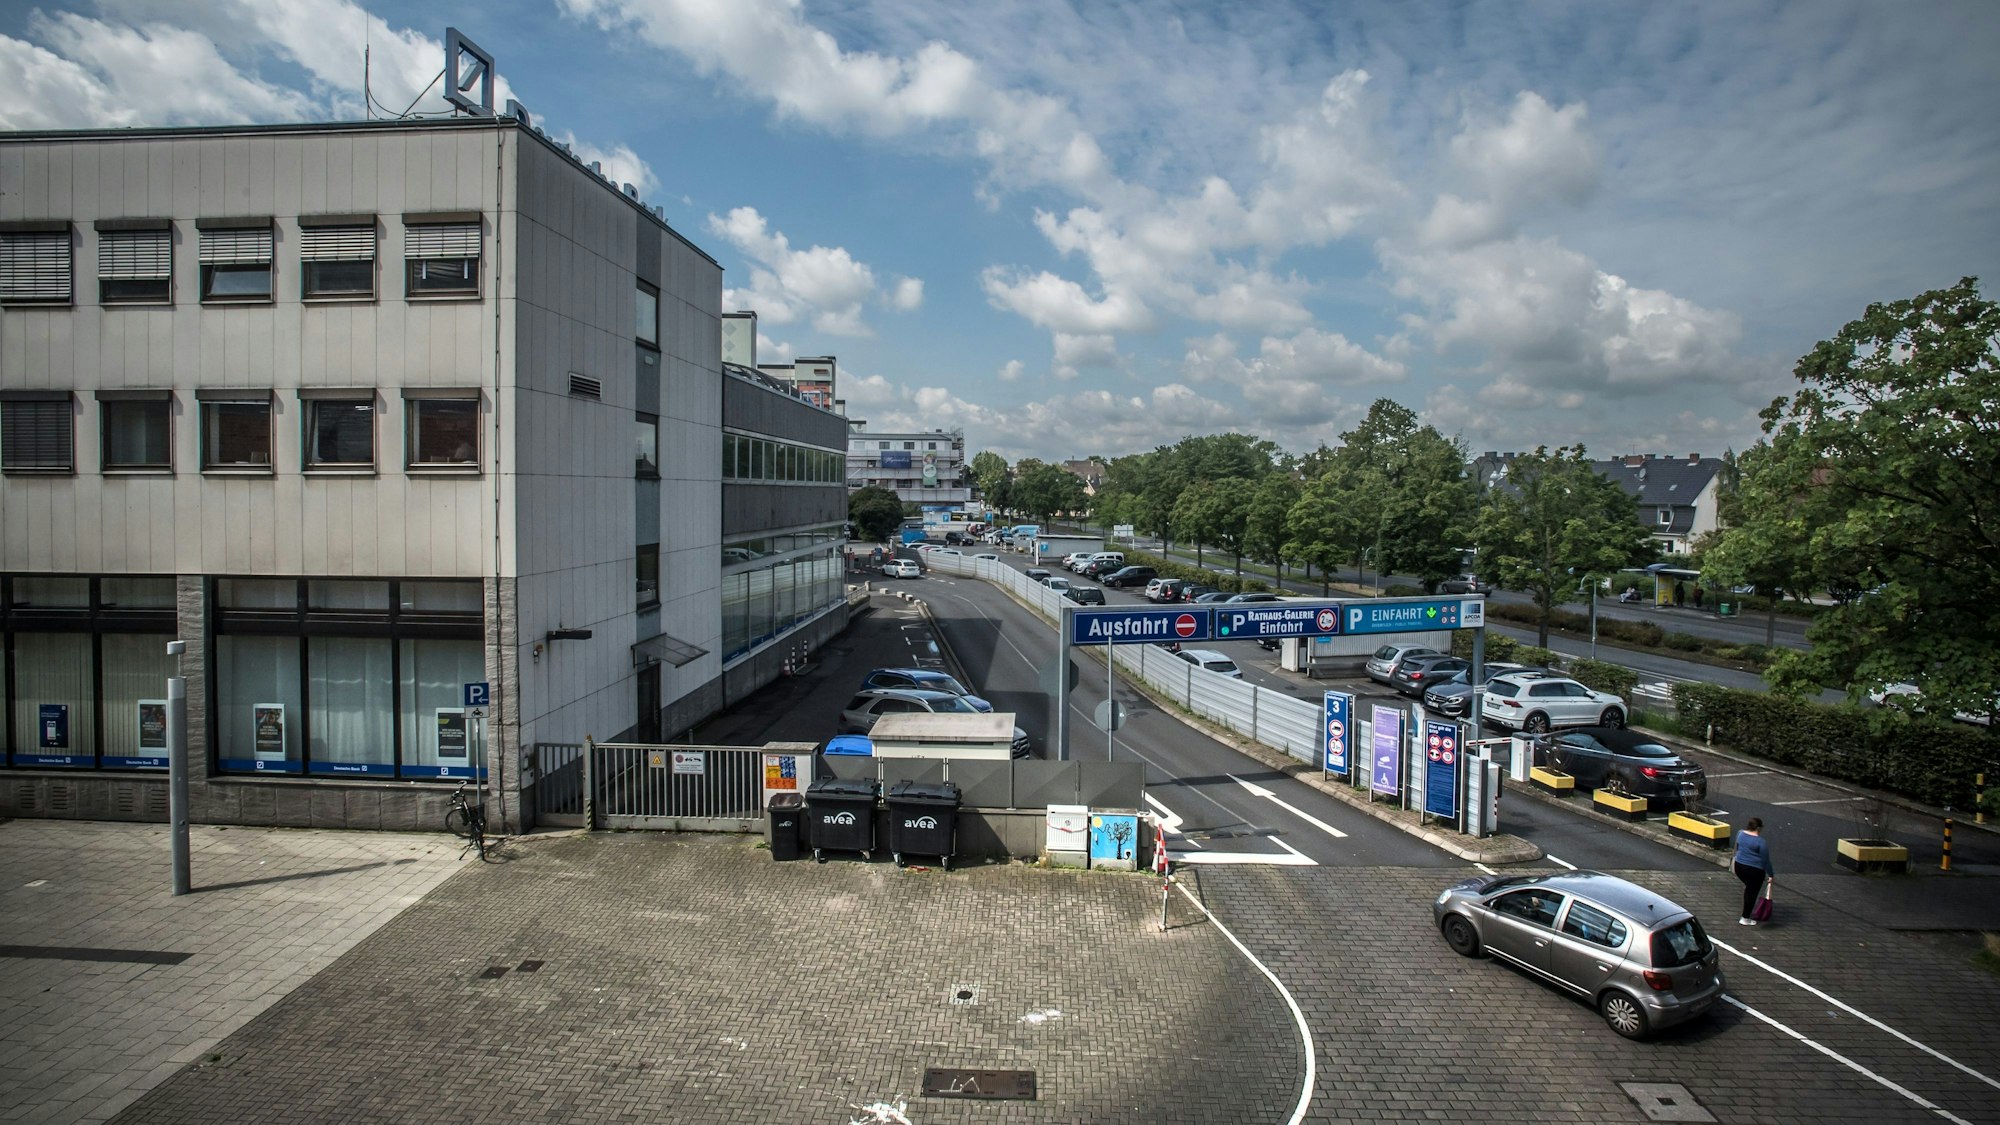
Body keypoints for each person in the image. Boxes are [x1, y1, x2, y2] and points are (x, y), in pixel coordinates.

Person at [1733, 817, 1774, 925]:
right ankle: (1745, 918)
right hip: (1754, 871)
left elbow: (1737, 848)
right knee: (1751, 892)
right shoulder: (1761, 842)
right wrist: (1771, 875)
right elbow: (1766, 861)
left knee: (1749, 888)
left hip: (1739, 866)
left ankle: (1746, 914)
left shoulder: (1740, 834)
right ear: (1759, 828)